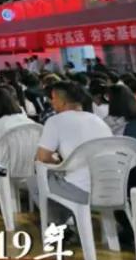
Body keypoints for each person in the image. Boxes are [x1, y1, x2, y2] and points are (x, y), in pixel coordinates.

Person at [35, 81, 112, 224]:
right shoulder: (98, 120)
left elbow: (42, 157)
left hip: (80, 190)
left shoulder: (55, 121)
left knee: (36, 182)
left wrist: (59, 162)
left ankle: (58, 226)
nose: (51, 102)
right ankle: (72, 221)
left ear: (62, 101)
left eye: (53, 98)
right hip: (110, 187)